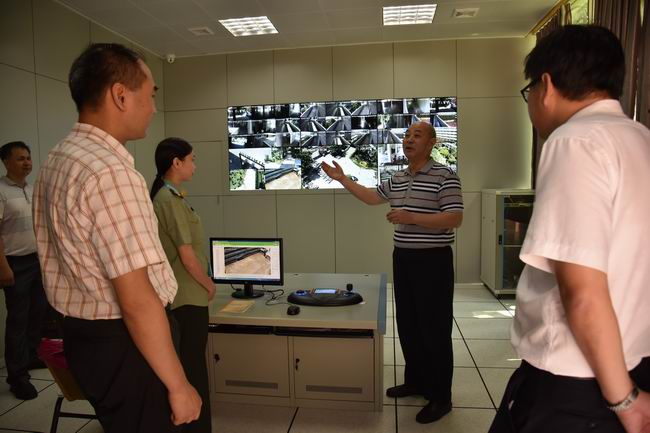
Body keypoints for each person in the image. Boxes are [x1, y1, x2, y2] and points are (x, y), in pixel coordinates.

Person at [488, 25, 650, 433]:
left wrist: (625, 400)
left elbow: (582, 291)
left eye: (529, 91)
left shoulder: (574, 142)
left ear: (546, 86)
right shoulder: (639, 138)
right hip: (631, 358)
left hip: (579, 382)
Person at [32, 43, 201, 433]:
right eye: (150, 95)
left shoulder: (58, 158)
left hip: (83, 337)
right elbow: (137, 300)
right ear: (120, 95)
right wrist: (179, 386)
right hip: (126, 343)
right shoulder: (111, 173)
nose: (154, 108)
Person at [321, 121, 463, 424]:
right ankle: (417, 381)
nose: (409, 139)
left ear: (432, 143)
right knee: (409, 324)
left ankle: (441, 397)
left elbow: (454, 218)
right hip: (404, 258)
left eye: (417, 135)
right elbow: (372, 197)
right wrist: (343, 179)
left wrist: (412, 217)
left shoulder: (445, 176)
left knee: (434, 328)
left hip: (433, 261)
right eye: (407, 135)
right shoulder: (399, 177)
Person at [150, 137, 215, 433]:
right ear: (176, 162)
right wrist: (208, 284)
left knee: (192, 365)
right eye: (192, 159)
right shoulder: (168, 199)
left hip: (187, 293)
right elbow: (187, 257)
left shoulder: (171, 196)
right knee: (193, 370)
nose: (195, 165)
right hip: (187, 296)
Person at [0, 141, 47, 400]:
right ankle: (17, 377)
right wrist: (3, 267)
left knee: (37, 313)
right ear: (6, 162)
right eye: (20, 159)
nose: (27, 162)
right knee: (18, 318)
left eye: (28, 158)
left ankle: (30, 356)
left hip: (36, 260)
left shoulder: (31, 188)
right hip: (14, 263)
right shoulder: (1, 190)